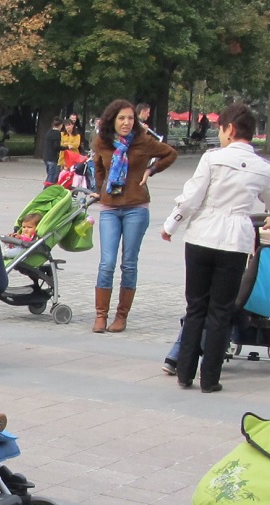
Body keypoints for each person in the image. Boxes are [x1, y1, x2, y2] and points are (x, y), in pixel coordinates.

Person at [162, 103, 270, 392]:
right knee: (221, 311)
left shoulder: (212, 159)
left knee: (196, 305)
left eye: (220, 129)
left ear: (229, 129)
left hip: (201, 236)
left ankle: (185, 372)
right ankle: (210, 378)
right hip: (236, 239)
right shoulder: (262, 167)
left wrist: (171, 224)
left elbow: (191, 196)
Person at [91, 98, 177, 333]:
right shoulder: (102, 141)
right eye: (122, 118)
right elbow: (98, 166)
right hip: (110, 208)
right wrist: (100, 189)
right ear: (112, 120)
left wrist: (151, 170)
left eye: (130, 118)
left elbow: (170, 154)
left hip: (136, 207)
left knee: (129, 263)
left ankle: (121, 316)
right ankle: (100, 315)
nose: (127, 122)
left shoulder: (144, 141)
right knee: (106, 262)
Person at [42, 119, 63, 185]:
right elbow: (56, 146)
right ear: (60, 125)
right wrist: (65, 148)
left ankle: (47, 188)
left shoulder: (49, 132)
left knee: (49, 174)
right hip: (53, 157)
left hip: (46, 157)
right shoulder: (57, 133)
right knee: (52, 176)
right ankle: (46, 190)